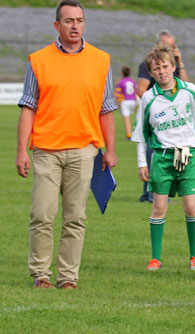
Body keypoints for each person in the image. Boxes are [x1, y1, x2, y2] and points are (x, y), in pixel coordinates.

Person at [15, 0, 117, 290]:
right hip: (46, 149)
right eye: (69, 20)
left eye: (80, 20)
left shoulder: (101, 60)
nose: (75, 26)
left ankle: (68, 277)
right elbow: (28, 107)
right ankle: (40, 274)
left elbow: (106, 107)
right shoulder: (38, 59)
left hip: (85, 150)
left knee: (76, 218)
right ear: (56, 25)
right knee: (42, 215)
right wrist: (22, 150)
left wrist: (110, 149)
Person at [131, 42, 195, 271]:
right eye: (156, 69)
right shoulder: (149, 98)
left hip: (187, 157)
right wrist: (142, 163)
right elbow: (141, 133)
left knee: (191, 208)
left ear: (173, 67)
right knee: (159, 208)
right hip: (161, 158)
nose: (161, 72)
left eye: (165, 66)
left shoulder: (190, 90)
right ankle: (156, 258)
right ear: (151, 73)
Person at [137, 29, 188, 202]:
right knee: (156, 151)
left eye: (173, 46)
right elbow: (141, 89)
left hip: (175, 117)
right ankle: (154, 193)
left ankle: (155, 192)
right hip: (158, 116)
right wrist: (156, 106)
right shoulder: (149, 64)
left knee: (174, 151)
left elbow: (187, 87)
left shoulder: (172, 64)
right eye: (168, 45)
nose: (171, 48)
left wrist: (180, 62)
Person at [115, 65, 137, 140]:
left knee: (126, 119)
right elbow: (135, 91)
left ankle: (129, 135)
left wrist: (117, 104)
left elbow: (117, 94)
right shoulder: (133, 81)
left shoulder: (120, 82)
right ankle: (134, 132)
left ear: (122, 73)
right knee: (131, 118)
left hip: (125, 101)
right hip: (133, 101)